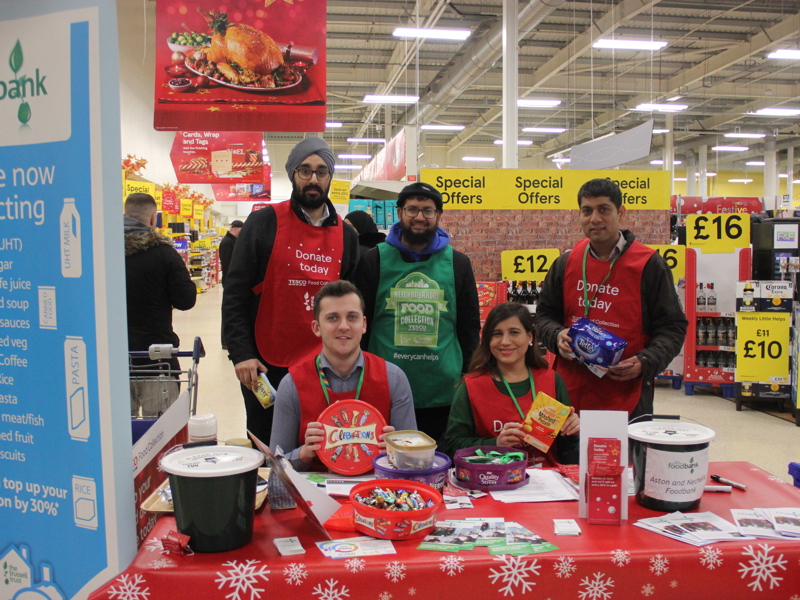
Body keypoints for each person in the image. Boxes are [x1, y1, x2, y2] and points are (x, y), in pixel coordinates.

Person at [222, 137, 360, 445]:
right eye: (305, 170)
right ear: (293, 174)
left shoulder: (346, 235)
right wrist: (241, 354)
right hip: (265, 362)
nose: (313, 179)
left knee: (321, 444)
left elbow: (354, 302)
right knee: (268, 446)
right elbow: (235, 294)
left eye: (322, 172)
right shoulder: (263, 222)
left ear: (330, 178)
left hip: (325, 364)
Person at [535, 178, 687, 419]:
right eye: (587, 211)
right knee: (566, 457)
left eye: (603, 209)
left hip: (626, 392)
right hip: (567, 392)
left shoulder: (649, 265)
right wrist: (556, 335)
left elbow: (673, 327)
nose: (595, 218)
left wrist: (646, 362)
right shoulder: (566, 262)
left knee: (621, 458)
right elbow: (544, 316)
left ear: (621, 212)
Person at [353, 181, 481, 443]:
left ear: (439, 216)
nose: (419, 217)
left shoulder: (458, 264)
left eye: (428, 210)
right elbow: (361, 326)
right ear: (399, 213)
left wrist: (469, 377)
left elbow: (468, 327)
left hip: (443, 392)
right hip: (385, 388)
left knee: (441, 464)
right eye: (412, 209)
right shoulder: (373, 260)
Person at [269, 280, 416, 471]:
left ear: (363, 324)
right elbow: (274, 466)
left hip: (379, 492)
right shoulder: (292, 384)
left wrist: (396, 452)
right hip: (315, 494)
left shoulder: (394, 378)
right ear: (316, 327)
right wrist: (304, 453)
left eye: (352, 317)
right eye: (332, 318)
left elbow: (415, 461)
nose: (344, 326)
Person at [443, 302, 579, 466]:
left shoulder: (552, 380)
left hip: (546, 483)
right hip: (493, 481)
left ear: (530, 336)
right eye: (497, 334)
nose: (505, 341)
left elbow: (566, 450)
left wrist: (571, 431)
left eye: (514, 332)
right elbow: (451, 446)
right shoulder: (472, 386)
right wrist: (495, 444)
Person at [124, 192, 197, 417]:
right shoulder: (165, 254)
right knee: (159, 434)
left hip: (114, 358)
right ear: (153, 219)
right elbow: (186, 300)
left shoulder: (101, 253)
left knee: (118, 432)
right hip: (157, 359)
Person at [218, 219, 243, 350]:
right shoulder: (227, 242)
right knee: (228, 311)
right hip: (229, 282)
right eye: (241, 230)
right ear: (235, 228)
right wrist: (230, 283)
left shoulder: (232, 241)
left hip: (230, 281)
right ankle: (225, 341)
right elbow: (228, 264)